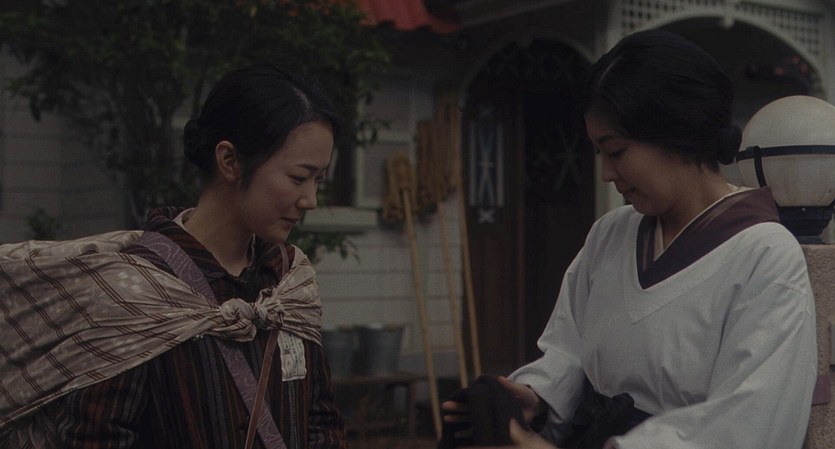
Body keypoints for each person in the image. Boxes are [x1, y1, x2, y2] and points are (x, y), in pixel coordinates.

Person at [442, 29, 817, 449]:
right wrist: (538, 397)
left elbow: (752, 421)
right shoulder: (611, 233)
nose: (606, 173)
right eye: (599, 153)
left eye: (616, 151)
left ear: (677, 132)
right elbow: (569, 351)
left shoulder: (765, 254)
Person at [0, 64, 346, 448]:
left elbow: (321, 422)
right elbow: (100, 438)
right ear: (230, 160)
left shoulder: (288, 285)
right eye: (298, 178)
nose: (310, 200)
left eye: (318, 180)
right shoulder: (134, 294)